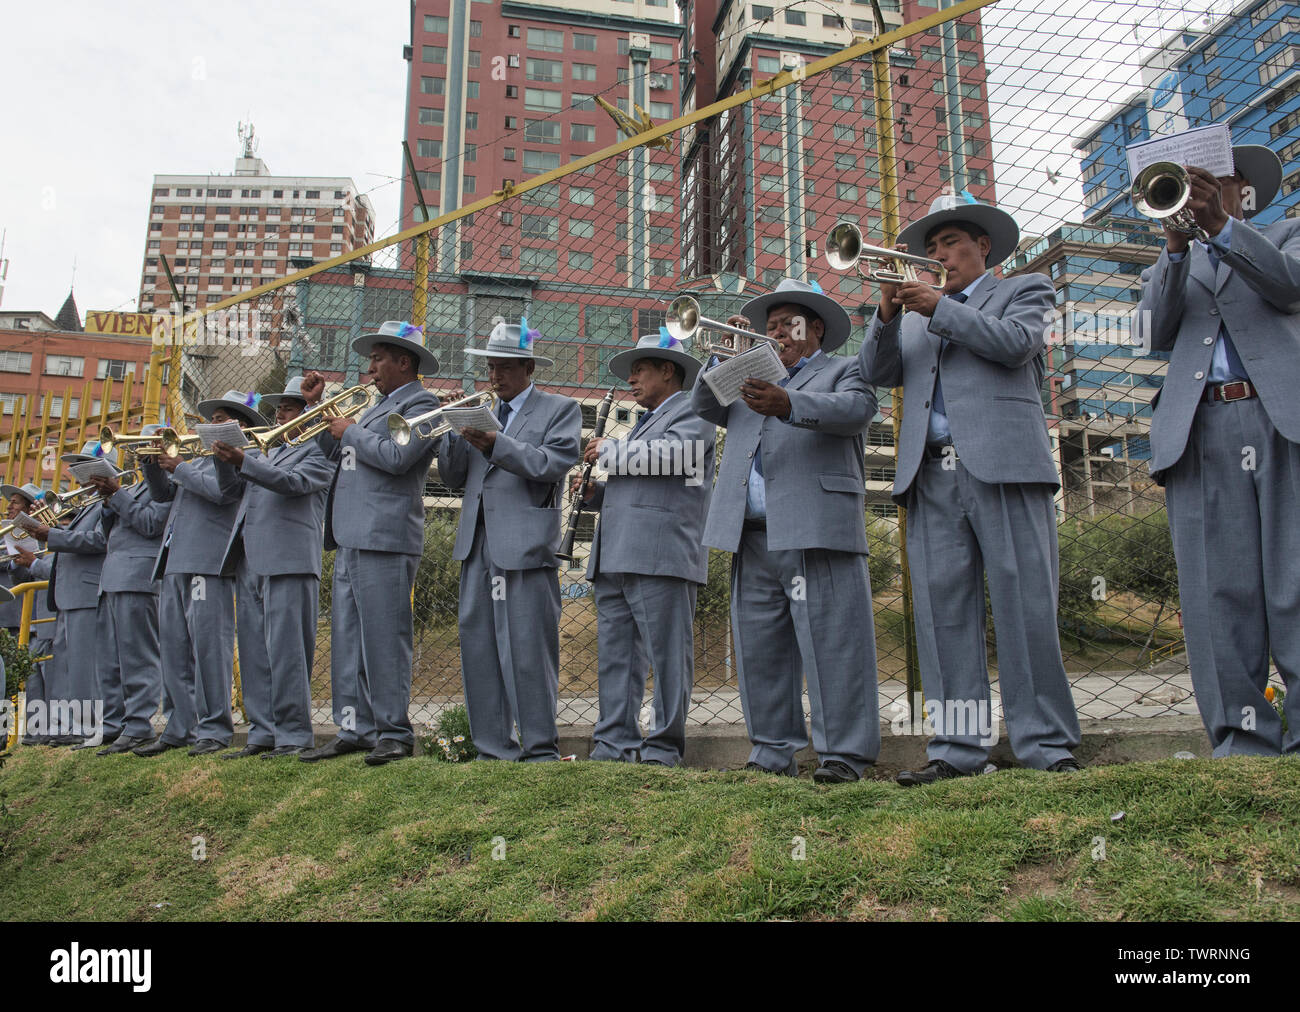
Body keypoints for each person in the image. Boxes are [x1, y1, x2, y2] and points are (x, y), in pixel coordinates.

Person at [860, 194, 1081, 785]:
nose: (940, 255)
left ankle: (1045, 744)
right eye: (931, 248)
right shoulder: (909, 314)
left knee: (1024, 605)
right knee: (942, 615)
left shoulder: (1024, 292)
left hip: (1005, 466)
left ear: (984, 246)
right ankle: (958, 750)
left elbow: (1015, 344)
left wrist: (939, 306)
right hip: (930, 475)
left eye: (951, 243)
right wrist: (885, 314)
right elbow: (876, 373)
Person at [1138, 143, 1299, 755]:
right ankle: (1241, 738)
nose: (1199, 191)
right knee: (1216, 589)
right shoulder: (1169, 259)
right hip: (1201, 428)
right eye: (1189, 184)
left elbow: (1290, 287)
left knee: (1296, 577)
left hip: (1281, 417)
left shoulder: (1285, 234)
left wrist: (1219, 228)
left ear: (1241, 191)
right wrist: (1177, 246)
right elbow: (1152, 332)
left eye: (1211, 181)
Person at [691, 278, 880, 783]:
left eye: (788, 324)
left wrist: (789, 403)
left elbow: (858, 411)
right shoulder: (747, 378)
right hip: (750, 535)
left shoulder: (845, 369)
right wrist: (722, 360)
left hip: (816, 528)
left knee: (835, 643)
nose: (777, 333)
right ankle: (773, 752)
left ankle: (844, 754)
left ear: (815, 328)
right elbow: (704, 409)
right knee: (760, 647)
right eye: (769, 327)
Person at [438, 320, 581, 761]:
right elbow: (452, 477)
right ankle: (491, 749)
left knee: (527, 651)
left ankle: (539, 749)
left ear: (528, 367)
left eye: (503, 368)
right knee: (478, 646)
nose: (494, 377)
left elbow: (550, 464)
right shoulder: (481, 409)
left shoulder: (561, 408)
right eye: (490, 368)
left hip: (524, 548)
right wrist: (451, 432)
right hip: (476, 545)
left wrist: (494, 444)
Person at [299, 321, 441, 766]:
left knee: (384, 637)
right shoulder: (375, 408)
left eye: (378, 359)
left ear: (404, 361)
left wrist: (352, 432)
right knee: (347, 637)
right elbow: (335, 450)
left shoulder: (425, 404)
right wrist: (318, 409)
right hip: (351, 535)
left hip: (385, 536)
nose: (371, 367)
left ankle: (394, 731)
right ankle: (355, 728)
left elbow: (399, 459)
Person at [578, 332, 715, 766]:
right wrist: (595, 494)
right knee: (616, 657)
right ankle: (614, 743)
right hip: (617, 553)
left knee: (667, 658)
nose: (631, 379)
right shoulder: (643, 423)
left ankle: (663, 748)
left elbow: (677, 455)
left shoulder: (696, 410)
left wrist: (611, 451)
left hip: (661, 555)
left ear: (668, 371)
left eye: (640, 370)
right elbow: (641, 482)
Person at [212, 377, 333, 759]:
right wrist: (225, 461)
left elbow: (294, 484)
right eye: (278, 407)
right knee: (253, 652)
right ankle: (263, 732)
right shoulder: (267, 451)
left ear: (309, 415)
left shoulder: (319, 451)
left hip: (289, 561)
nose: (279, 414)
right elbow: (231, 493)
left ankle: (294, 735)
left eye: (289, 408)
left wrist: (244, 461)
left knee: (286, 653)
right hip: (252, 558)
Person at [133, 392, 259, 757]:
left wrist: (180, 468)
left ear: (240, 427)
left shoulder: (239, 459)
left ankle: (215, 728)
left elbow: (223, 495)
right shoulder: (198, 459)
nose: (208, 425)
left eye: (219, 418)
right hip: (175, 560)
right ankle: (178, 726)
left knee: (208, 648)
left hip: (209, 562)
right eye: (211, 418)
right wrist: (153, 465)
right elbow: (161, 497)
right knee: (173, 647)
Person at [85, 434, 171, 755]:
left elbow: (151, 525)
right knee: (109, 661)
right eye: (137, 451)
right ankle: (113, 724)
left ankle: (138, 725)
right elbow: (110, 532)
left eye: (145, 451)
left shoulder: (169, 486)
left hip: (138, 577)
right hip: (112, 578)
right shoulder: (132, 486)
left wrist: (117, 496)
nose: (139, 457)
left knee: (138, 657)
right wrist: (108, 500)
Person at [22, 446, 109, 747]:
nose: (78, 475)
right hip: (67, 595)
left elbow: (99, 540)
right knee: (65, 668)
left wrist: (53, 535)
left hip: (86, 593)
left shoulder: (104, 504)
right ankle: (68, 727)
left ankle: (89, 729)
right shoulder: (86, 505)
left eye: (84, 468)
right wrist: (50, 530)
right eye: (77, 469)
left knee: (85, 667)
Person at [2, 483, 58, 744]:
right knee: (10, 683)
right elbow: (20, 572)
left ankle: (40, 732)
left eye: (15, 502)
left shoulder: (42, 532)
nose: (9, 506)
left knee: (37, 679)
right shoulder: (7, 532)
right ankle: (7, 734)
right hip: (12, 619)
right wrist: (15, 559)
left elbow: (40, 569)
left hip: (36, 618)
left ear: (28, 507)